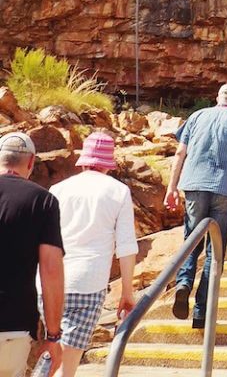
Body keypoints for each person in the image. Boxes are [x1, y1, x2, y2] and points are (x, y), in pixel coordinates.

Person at [42, 132, 138, 377]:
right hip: (88, 281)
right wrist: (127, 292)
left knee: (52, 350)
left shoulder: (58, 189)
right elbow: (126, 246)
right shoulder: (118, 191)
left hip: (49, 281)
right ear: (109, 163)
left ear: (83, 160)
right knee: (68, 360)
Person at [164, 83, 227, 329]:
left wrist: (171, 187)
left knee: (191, 240)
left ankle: (184, 283)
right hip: (224, 189)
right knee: (215, 251)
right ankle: (201, 312)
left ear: (217, 98)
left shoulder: (196, 116)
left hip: (194, 184)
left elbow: (179, 153)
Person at [0, 132, 64, 377]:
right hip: (13, 328)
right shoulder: (43, 201)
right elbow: (51, 270)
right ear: (30, 162)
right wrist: (53, 335)